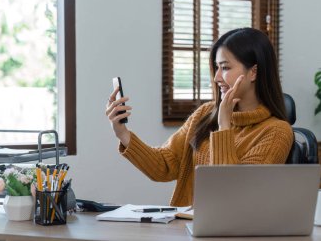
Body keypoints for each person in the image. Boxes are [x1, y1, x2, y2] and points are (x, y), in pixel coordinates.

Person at [105, 28, 294, 207]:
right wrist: (122, 133)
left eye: (225, 67)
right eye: (216, 68)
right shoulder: (205, 113)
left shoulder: (277, 132)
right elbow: (163, 166)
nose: (217, 77)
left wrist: (224, 126)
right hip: (184, 227)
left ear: (253, 72)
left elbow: (234, 195)